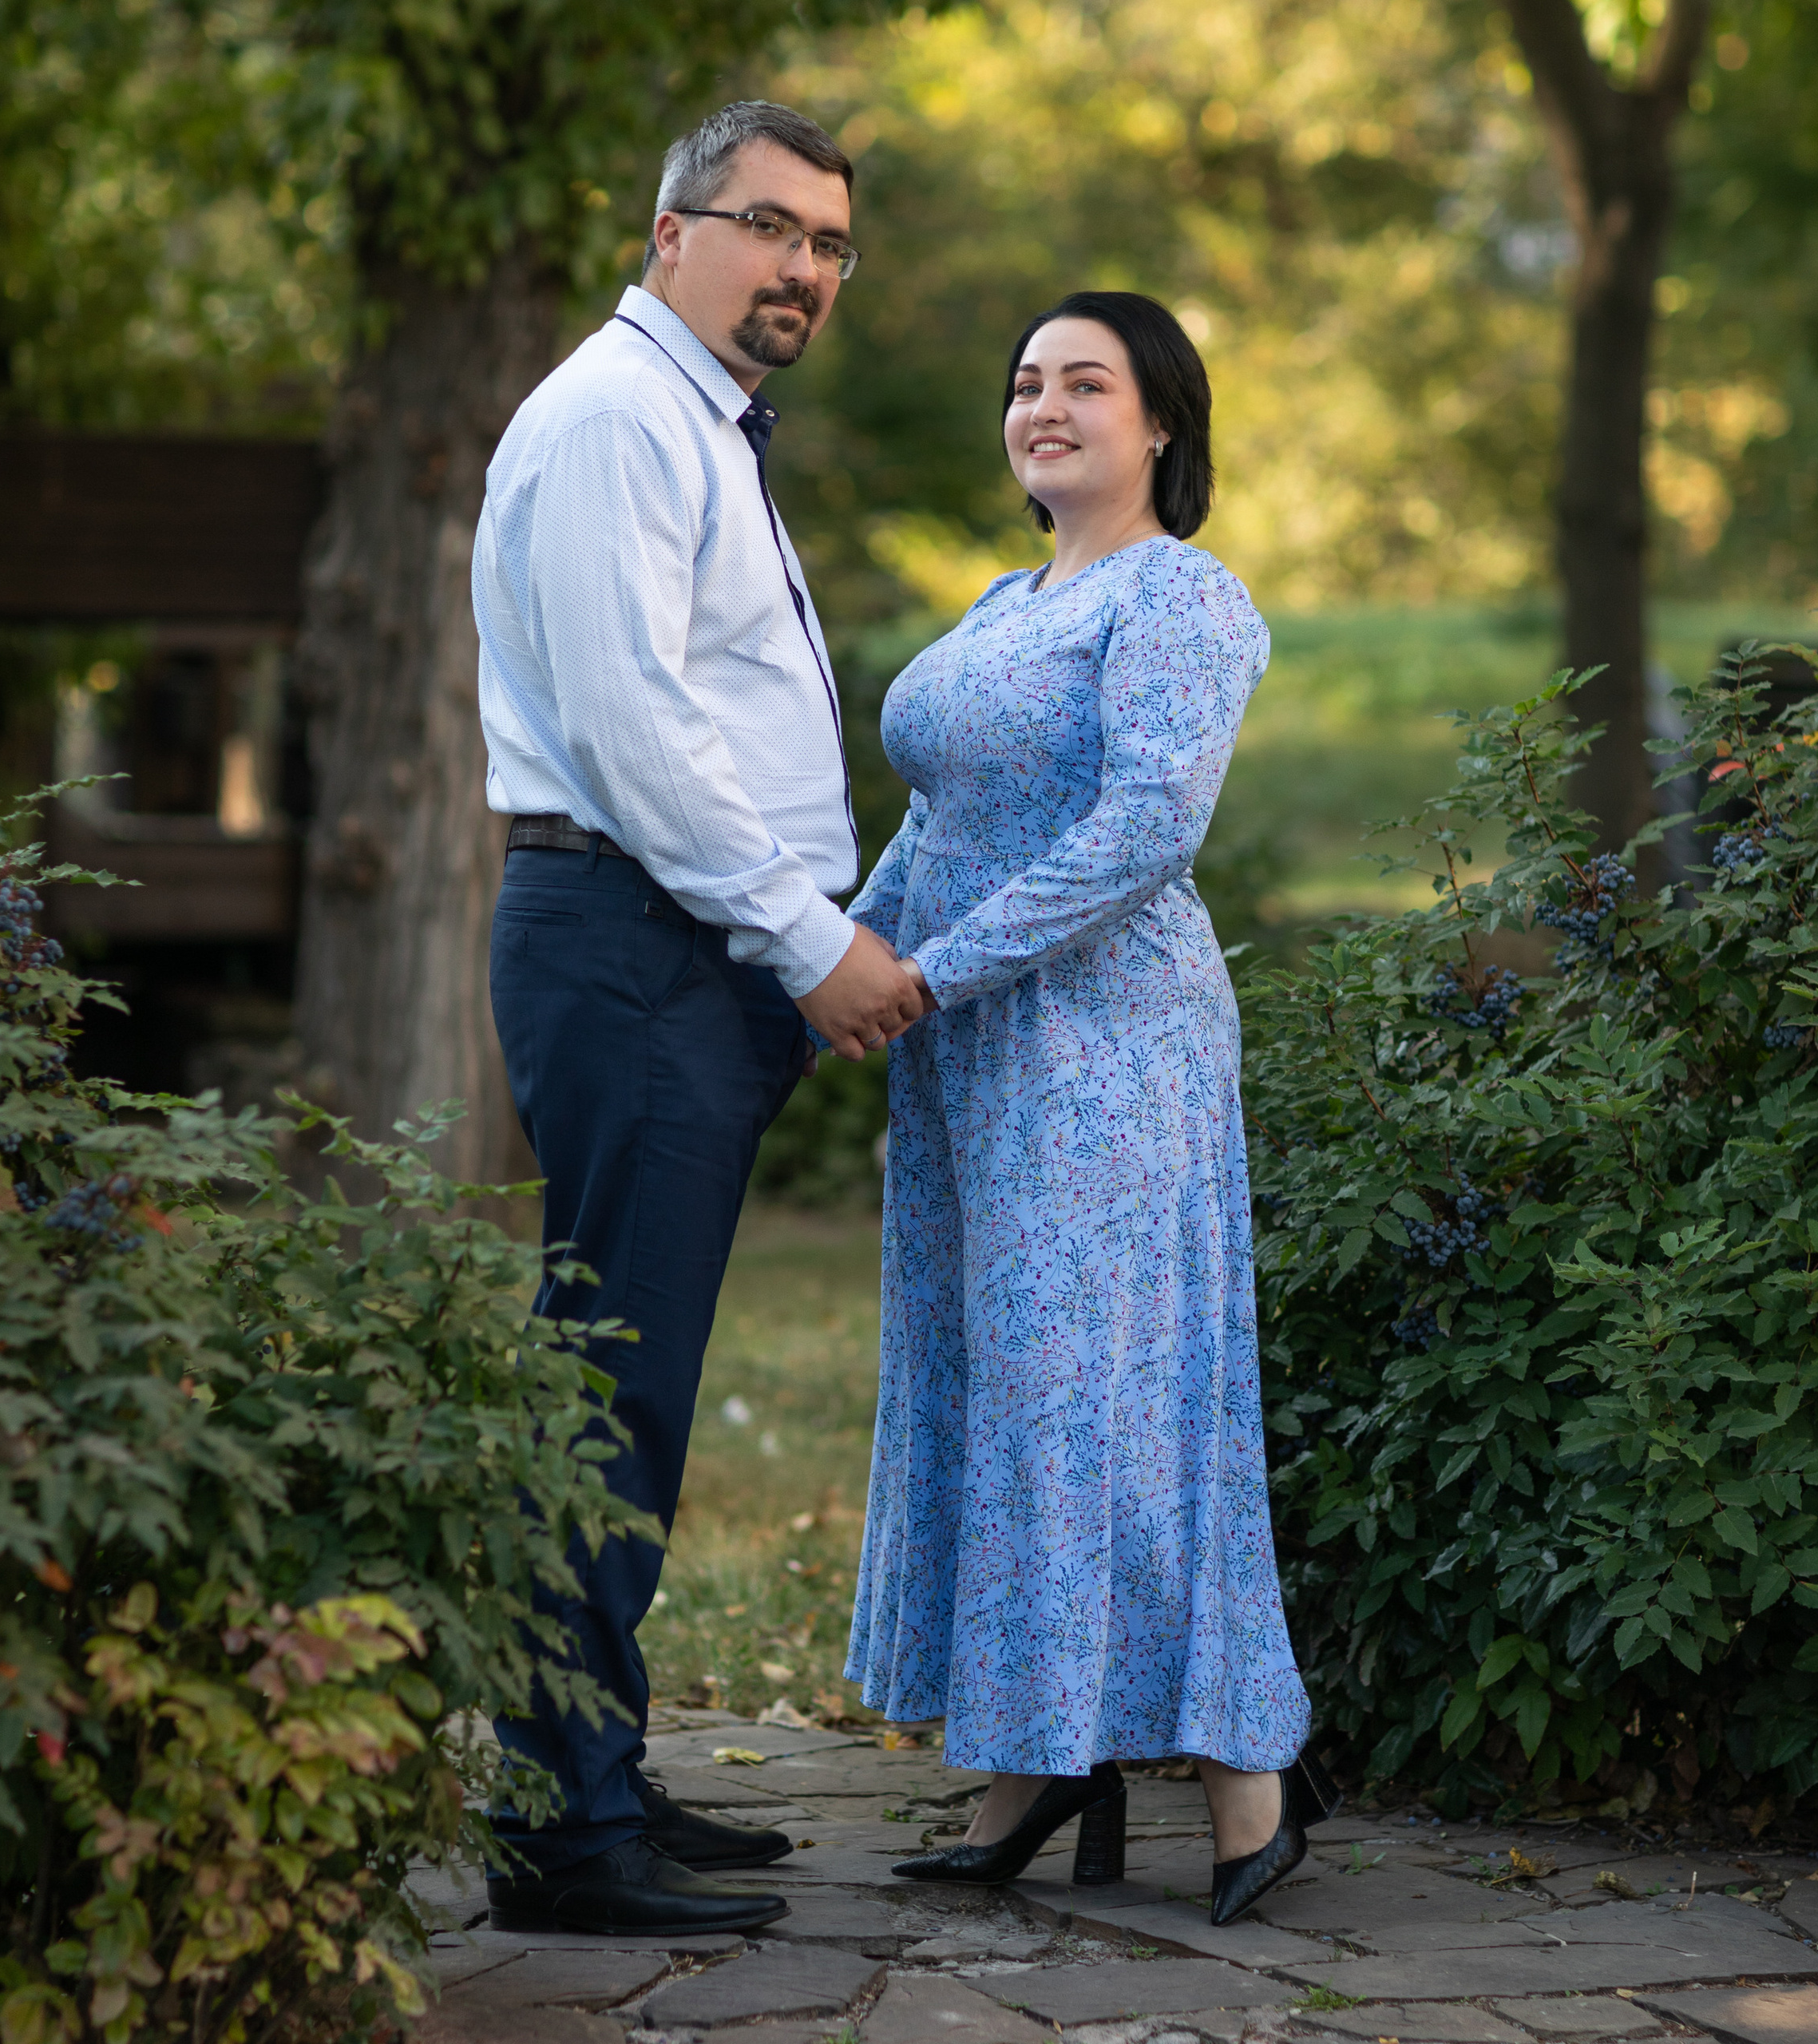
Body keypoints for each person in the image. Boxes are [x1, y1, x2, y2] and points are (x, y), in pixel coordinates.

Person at [473, 100, 923, 1935]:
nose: (802, 265)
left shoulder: (688, 423)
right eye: (769, 227)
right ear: (670, 233)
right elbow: (637, 729)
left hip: (677, 950)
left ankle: (592, 1761)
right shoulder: (610, 420)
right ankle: (561, 1833)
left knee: (625, 1381)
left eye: (829, 241)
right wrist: (803, 937)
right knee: (610, 1388)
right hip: (637, 936)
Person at [843, 291, 1338, 1925]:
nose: (1040, 406)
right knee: (1005, 1401)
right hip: (973, 1053)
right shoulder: (1001, 601)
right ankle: (1032, 1756)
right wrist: (838, 960)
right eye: (1024, 383)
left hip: (1107, 1052)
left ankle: (1247, 1788)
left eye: (1083, 383)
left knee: (1118, 1401)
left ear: (1160, 425)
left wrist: (935, 969)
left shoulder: (1180, 595)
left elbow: (1143, 827)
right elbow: (937, 819)